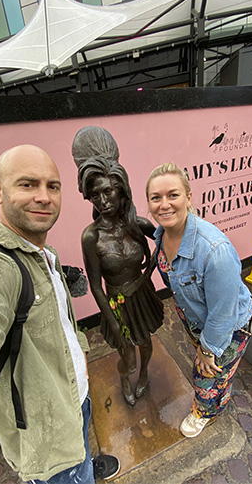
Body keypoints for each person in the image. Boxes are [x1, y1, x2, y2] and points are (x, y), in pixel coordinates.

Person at [0, 145, 118, 483]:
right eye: (28, 185)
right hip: (47, 443)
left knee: (82, 451)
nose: (44, 197)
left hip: (75, 400)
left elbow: (61, 319)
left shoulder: (45, 253)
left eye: (53, 186)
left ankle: (85, 464)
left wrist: (81, 355)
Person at [146, 162, 252, 438]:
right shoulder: (162, 234)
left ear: (188, 196)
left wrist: (208, 350)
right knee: (210, 365)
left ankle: (206, 411)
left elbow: (222, 315)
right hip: (199, 315)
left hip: (228, 326)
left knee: (208, 375)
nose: (164, 204)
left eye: (173, 195)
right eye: (156, 198)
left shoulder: (214, 251)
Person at [78, 156, 164, 407]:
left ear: (121, 191)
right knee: (126, 353)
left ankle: (145, 372)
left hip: (142, 295)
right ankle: (125, 378)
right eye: (95, 195)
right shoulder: (91, 237)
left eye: (108, 192)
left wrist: (154, 263)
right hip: (115, 302)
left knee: (146, 343)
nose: (103, 201)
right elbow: (95, 285)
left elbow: (164, 239)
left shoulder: (139, 225)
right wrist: (114, 323)